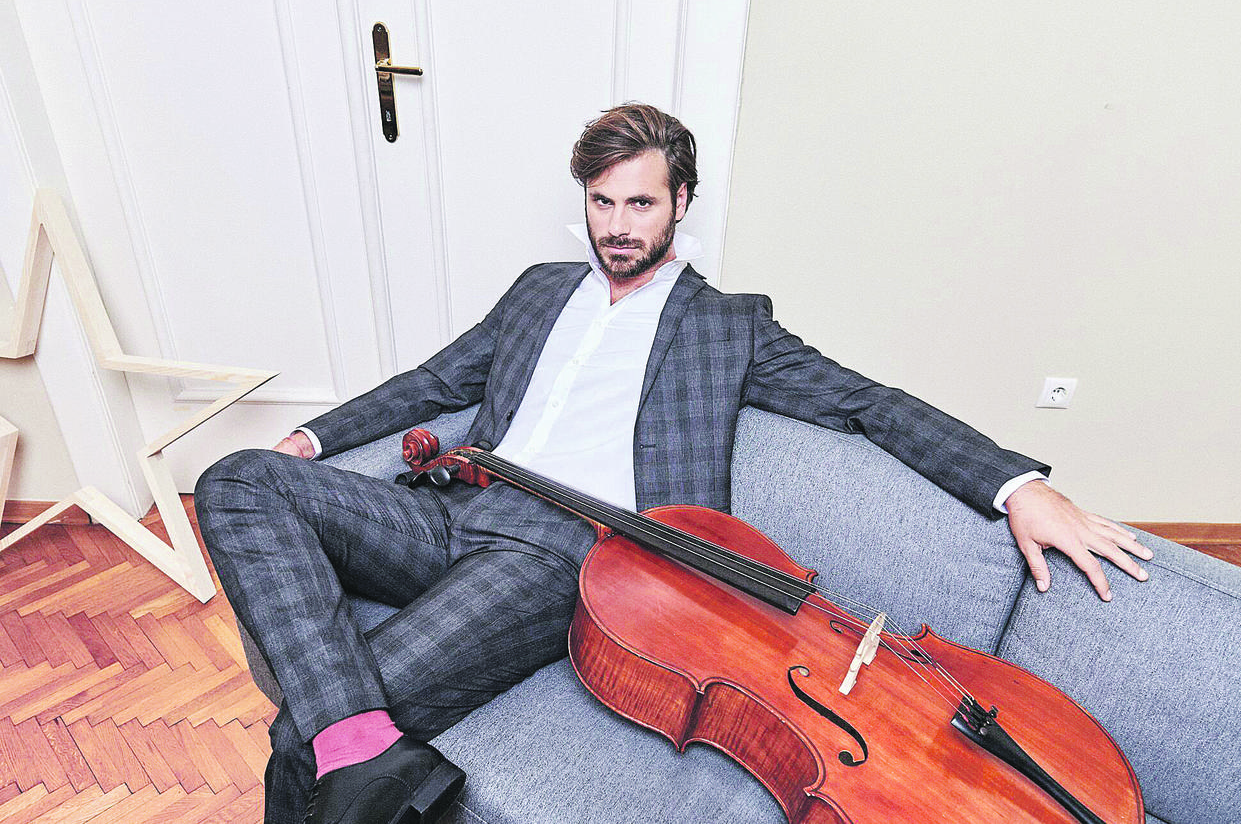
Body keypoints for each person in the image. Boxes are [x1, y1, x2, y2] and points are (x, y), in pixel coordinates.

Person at [194, 103, 1153, 824]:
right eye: (602, 202)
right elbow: (437, 379)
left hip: (560, 555)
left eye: (640, 203)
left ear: (680, 204)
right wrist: (312, 439)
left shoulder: (728, 327)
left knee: (303, 733)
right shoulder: (538, 290)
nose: (618, 225)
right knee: (237, 477)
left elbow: (867, 403)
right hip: (450, 508)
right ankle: (363, 747)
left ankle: (345, 743)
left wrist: (1021, 486)